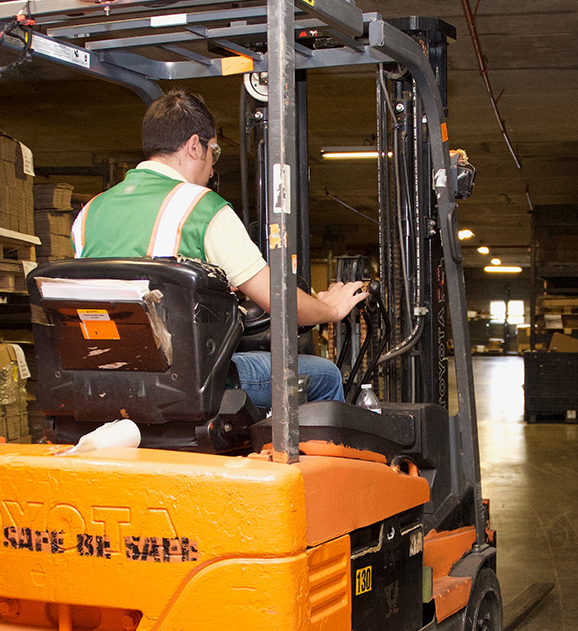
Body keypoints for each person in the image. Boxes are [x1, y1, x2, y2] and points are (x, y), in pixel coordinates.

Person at [71, 89, 366, 409]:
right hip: (187, 382)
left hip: (103, 381)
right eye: (214, 152)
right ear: (195, 146)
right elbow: (282, 303)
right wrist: (331, 309)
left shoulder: (89, 213)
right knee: (324, 374)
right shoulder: (200, 207)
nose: (212, 169)